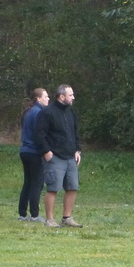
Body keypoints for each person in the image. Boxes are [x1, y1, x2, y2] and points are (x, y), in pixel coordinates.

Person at [35, 84, 83, 228]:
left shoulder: (70, 112)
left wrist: (77, 150)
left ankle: (67, 218)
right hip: (55, 156)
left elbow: (75, 132)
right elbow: (39, 134)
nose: (73, 97)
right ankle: (49, 220)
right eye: (70, 95)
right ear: (62, 96)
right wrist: (46, 151)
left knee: (72, 187)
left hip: (70, 156)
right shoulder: (47, 112)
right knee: (53, 188)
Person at [18, 88, 49, 222]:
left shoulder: (28, 112)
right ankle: (35, 215)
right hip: (34, 151)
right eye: (46, 97)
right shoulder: (39, 113)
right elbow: (39, 134)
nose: (48, 99)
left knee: (28, 182)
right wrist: (45, 150)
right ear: (38, 99)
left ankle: (22, 213)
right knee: (37, 183)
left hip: (24, 150)